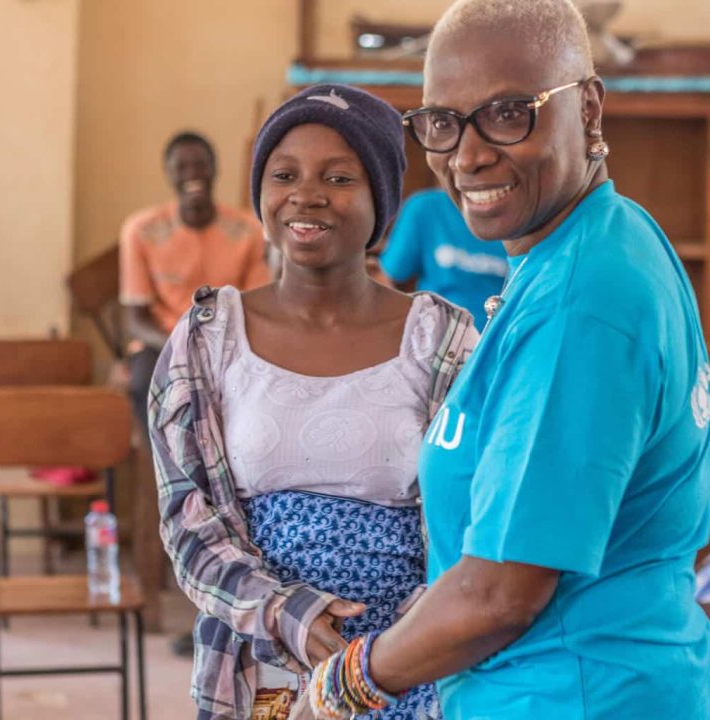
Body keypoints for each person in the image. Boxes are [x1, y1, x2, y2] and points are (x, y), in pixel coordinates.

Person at [296, 1, 710, 719]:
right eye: (442, 123)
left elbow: (499, 594)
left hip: (571, 695)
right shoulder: (599, 242)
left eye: (509, 113)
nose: (468, 154)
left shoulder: (582, 300)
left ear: (588, 109)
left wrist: (337, 687)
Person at [148, 85, 478, 719]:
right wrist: (284, 611)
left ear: (381, 201)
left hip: (410, 661)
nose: (307, 194)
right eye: (285, 175)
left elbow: (475, 515)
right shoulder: (207, 338)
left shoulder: (443, 338)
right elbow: (186, 519)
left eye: (338, 176)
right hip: (258, 664)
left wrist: (400, 648)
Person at [119, 131, 269, 434]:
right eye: (182, 167)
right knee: (145, 386)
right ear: (168, 174)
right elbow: (135, 320)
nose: (193, 174)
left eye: (201, 165)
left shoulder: (248, 231)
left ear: (215, 169)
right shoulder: (141, 230)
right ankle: (162, 476)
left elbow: (257, 306)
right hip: (161, 342)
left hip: (229, 340)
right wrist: (181, 348)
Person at [380, 187, 507, 320]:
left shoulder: (518, 218)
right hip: (436, 330)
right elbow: (385, 278)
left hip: (503, 333)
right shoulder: (425, 208)